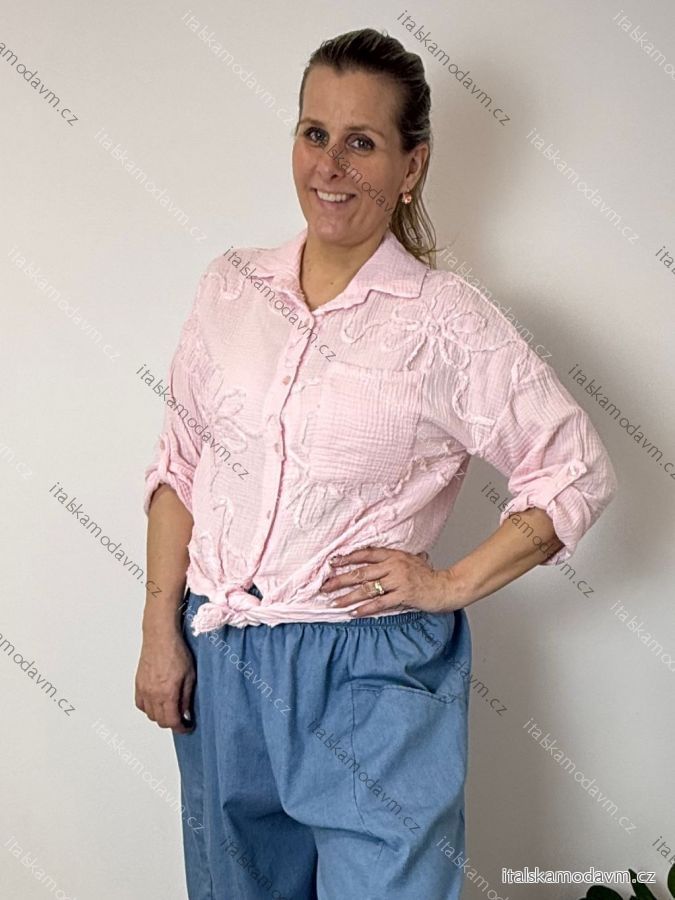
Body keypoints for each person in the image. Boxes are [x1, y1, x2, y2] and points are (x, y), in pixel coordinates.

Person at [134, 27, 617, 900]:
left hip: (369, 670)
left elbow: (574, 469)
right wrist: (157, 632)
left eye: (361, 142)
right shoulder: (231, 287)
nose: (330, 165)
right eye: (314, 133)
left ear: (410, 166)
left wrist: (449, 583)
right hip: (222, 662)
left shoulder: (446, 322)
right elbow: (181, 465)